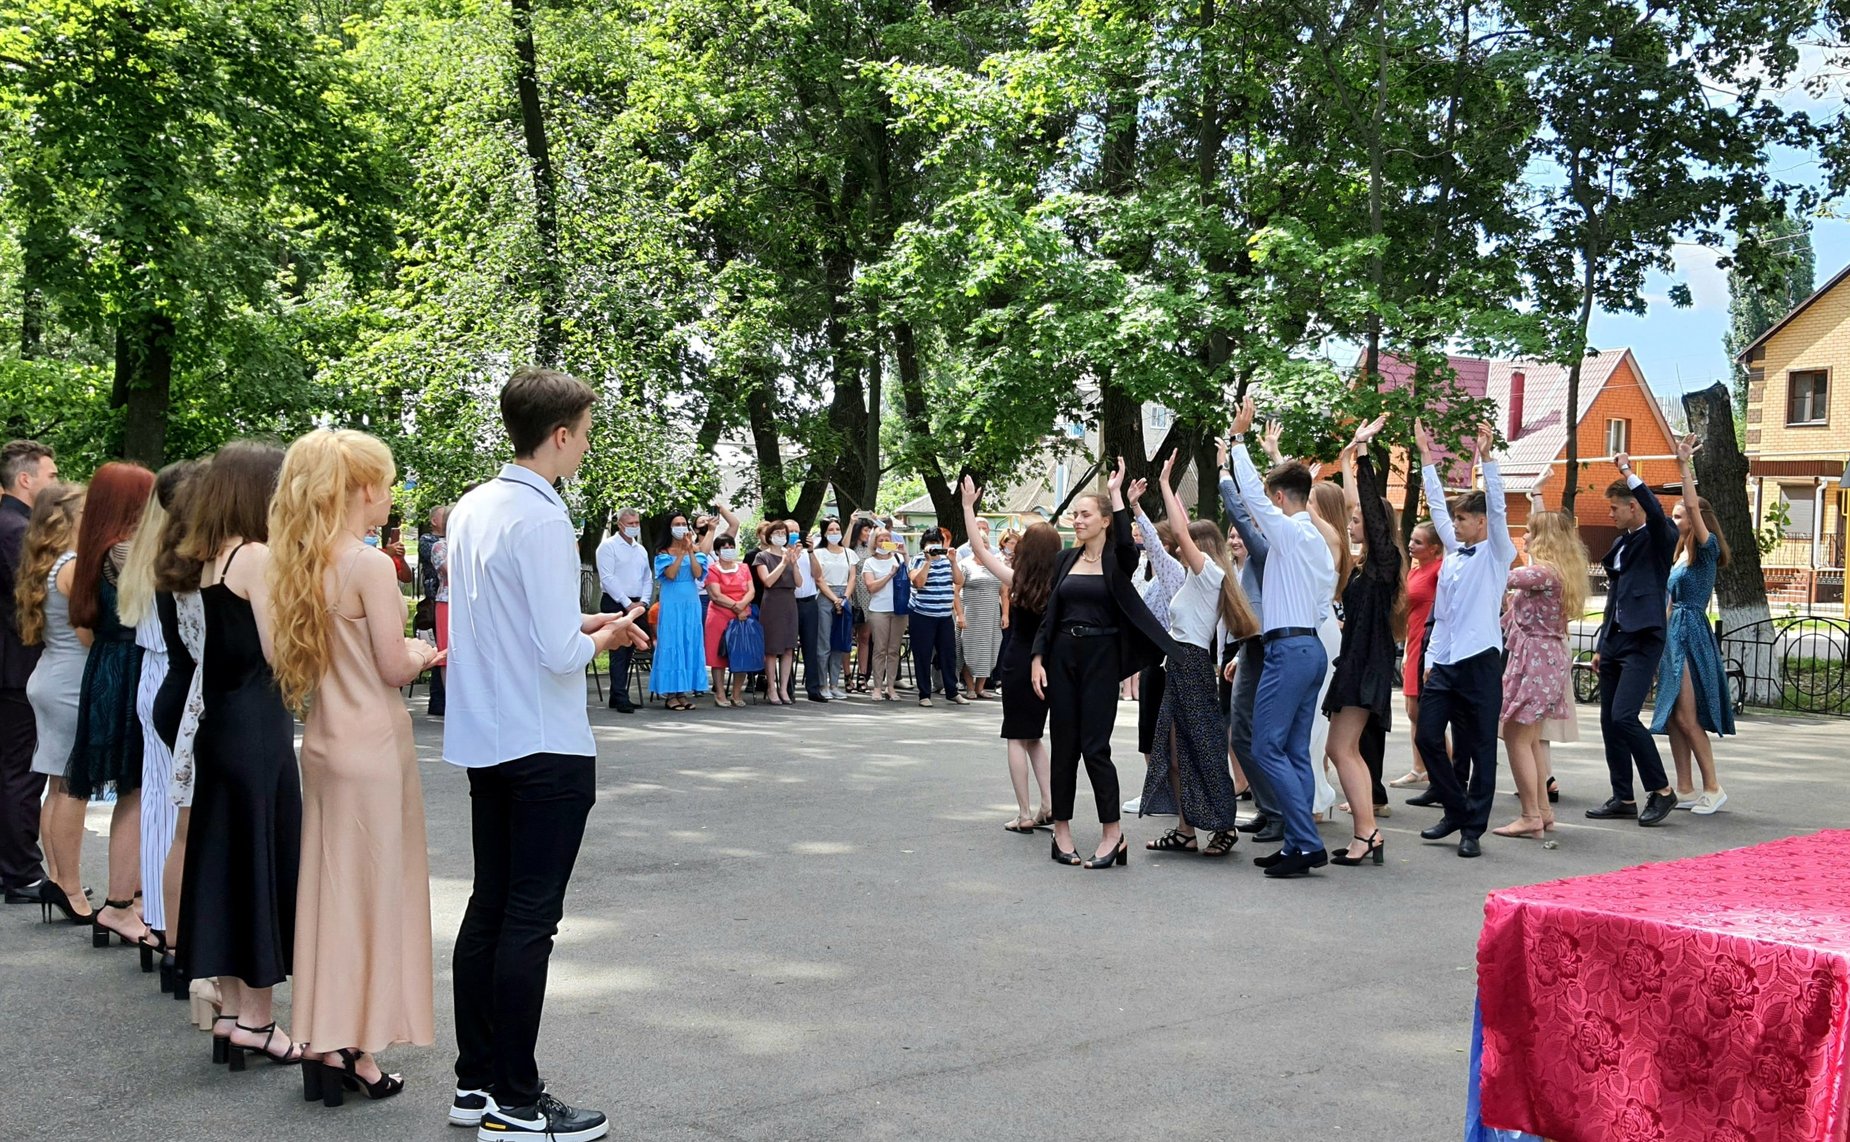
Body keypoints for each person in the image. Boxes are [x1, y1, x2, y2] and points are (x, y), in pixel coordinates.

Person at [443, 366, 648, 1141]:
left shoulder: (473, 507)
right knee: (530, 919)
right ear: (559, 435)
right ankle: (517, 1098)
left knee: (490, 908)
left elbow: (514, 620)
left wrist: (584, 623)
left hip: (489, 733)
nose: (587, 446)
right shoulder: (543, 517)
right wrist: (608, 633)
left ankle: (476, 1082)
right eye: (585, 434)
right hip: (544, 739)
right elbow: (560, 651)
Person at [268, 429, 443, 1105]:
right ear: (364, 488)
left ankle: (324, 1036)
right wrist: (424, 653)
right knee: (372, 896)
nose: (390, 497)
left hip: (322, 742)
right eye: (387, 484)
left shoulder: (296, 562)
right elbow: (394, 666)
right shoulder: (368, 564)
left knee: (330, 894)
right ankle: (355, 1046)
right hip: (372, 743)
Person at [170, 440, 308, 1067]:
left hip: (219, 723)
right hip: (257, 726)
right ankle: (257, 1018)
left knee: (225, 862)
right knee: (260, 863)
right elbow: (284, 656)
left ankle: (231, 1011)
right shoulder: (255, 556)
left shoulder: (205, 558)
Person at [1030, 457, 1179, 869]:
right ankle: (1061, 832)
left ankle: (1113, 834)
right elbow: (1050, 613)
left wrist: (1117, 496)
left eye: (1085, 515)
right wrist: (1038, 657)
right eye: (1075, 515)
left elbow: (1129, 545)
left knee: (1096, 748)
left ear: (1104, 521)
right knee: (1064, 746)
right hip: (1062, 656)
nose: (1077, 520)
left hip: (1101, 657)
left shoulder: (1118, 559)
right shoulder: (1064, 559)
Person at [1223, 399, 1338, 878]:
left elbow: (1251, 496)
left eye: (1272, 500)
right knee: (1293, 751)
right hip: (1310, 646)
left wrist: (1238, 441)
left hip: (1288, 649)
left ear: (1280, 499)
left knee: (1266, 747)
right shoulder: (1317, 543)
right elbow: (1321, 603)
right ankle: (1296, 842)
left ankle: (1306, 842)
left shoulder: (1289, 532)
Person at [1139, 455, 1260, 858]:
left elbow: (1177, 529)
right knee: (1174, 752)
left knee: (1205, 749)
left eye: (1188, 542)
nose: (1180, 547)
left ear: (1202, 546)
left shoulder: (1209, 572)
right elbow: (1168, 539)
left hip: (1190, 664)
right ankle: (1185, 831)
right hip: (1178, 664)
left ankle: (1224, 827)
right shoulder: (1195, 579)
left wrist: (1165, 483)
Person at [66, 462, 158, 955]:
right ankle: (121, 901)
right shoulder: (125, 551)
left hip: (108, 663)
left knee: (133, 786)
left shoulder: (95, 549)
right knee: (137, 788)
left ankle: (130, 899)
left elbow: (87, 628)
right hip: (132, 665)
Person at [1411, 420, 1514, 859]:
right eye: (1454, 519)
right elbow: (1435, 505)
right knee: (1427, 737)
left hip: (1481, 661)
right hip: (1447, 661)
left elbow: (1499, 510)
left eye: (1462, 519)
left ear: (1480, 522)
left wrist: (1487, 460)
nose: (1453, 524)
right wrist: (1425, 456)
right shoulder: (1454, 553)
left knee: (1480, 747)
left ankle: (1473, 828)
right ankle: (1456, 808)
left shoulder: (1497, 552)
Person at [118, 461, 203, 960]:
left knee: (158, 799)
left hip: (155, 673)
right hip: (174, 673)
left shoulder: (145, 549)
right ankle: (167, 922)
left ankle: (157, 917)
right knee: (173, 805)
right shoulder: (179, 555)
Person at [1323, 417, 1403, 867]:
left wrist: (1367, 454)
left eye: (1357, 521)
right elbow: (1356, 502)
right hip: (1355, 660)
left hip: (1365, 663)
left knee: (1341, 749)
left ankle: (1367, 832)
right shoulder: (1365, 565)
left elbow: (1368, 506)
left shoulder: (1383, 565)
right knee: (1341, 748)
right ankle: (1367, 831)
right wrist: (1349, 457)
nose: (1352, 522)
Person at [1587, 449, 1680, 828]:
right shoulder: (1621, 543)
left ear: (1633, 506)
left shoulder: (1660, 535)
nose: (1610, 514)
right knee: (1610, 721)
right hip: (1615, 640)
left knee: (1625, 716)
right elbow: (1615, 595)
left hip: (1643, 639)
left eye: (1614, 508)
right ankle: (1623, 796)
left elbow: (1655, 511)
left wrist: (1627, 471)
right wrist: (1601, 645)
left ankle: (1662, 790)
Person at [961, 479, 1057, 831]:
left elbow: (979, 549)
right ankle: (1049, 803)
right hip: (1046, 666)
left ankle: (1025, 813)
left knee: (1017, 737)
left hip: (1018, 661)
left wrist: (968, 507)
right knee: (1035, 737)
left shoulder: (1018, 580)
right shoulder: (1059, 585)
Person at [17, 482, 90, 922]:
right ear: (68, 518)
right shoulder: (73, 565)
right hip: (71, 682)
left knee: (57, 784)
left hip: (49, 675)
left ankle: (58, 879)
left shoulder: (45, 563)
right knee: (73, 787)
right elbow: (87, 634)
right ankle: (70, 886)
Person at [1651, 434, 1734, 815]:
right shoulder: (1679, 554)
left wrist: (1684, 467)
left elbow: (1692, 505)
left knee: (1686, 715)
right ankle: (1684, 787)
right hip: (1673, 634)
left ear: (1697, 516)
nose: (1676, 518)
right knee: (1672, 715)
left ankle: (1713, 787)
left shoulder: (1706, 548)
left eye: (1680, 514)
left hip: (1691, 632)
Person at [1492, 508, 1586, 839]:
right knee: (1529, 737)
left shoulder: (1542, 573)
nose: (1525, 536)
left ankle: (1530, 815)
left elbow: (1498, 575)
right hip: (1545, 658)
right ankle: (1542, 812)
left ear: (1545, 538)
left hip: (1536, 659)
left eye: (1531, 531)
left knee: (1516, 735)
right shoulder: (1558, 572)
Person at [0, 439, 57, 905]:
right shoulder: (17, 530)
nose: (56, 482)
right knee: (21, 771)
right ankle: (21, 872)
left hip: (11, 663)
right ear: (25, 479)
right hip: (17, 664)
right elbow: (32, 599)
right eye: (51, 475)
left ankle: (12, 867)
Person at [1218, 451, 1284, 846]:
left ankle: (1277, 811)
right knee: (1242, 733)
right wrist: (1239, 655)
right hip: (1250, 648)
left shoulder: (1268, 546)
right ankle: (1267, 806)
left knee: (1252, 733)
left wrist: (1226, 474)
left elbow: (1243, 516)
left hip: (1264, 646)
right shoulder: (1249, 558)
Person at [1390, 522, 1443, 790]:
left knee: (1420, 712)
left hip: (1427, 643)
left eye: (1418, 542)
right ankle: (1420, 767)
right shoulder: (1415, 571)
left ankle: (1444, 766)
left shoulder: (1439, 570)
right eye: (1411, 540)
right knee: (1412, 710)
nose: (1411, 545)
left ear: (1434, 548)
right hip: (1413, 642)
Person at [649, 512, 709, 711]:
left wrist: (690, 551)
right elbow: (671, 574)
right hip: (672, 602)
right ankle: (670, 694)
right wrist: (681, 552)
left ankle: (682, 692)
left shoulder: (696, 550)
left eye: (684, 523)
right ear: (670, 528)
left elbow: (698, 574)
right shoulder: (663, 552)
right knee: (672, 642)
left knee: (688, 642)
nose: (681, 527)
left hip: (690, 602)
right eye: (677, 524)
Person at [595, 508, 652, 712]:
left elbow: (647, 578)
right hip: (616, 602)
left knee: (634, 647)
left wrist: (643, 602)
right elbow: (607, 578)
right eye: (630, 524)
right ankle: (619, 696)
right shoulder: (608, 547)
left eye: (637, 523)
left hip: (637, 603)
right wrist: (627, 603)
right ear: (620, 524)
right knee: (618, 650)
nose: (634, 527)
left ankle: (619, 693)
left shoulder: (640, 550)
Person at [907, 525, 966, 707]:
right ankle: (924, 694)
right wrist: (928, 561)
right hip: (922, 614)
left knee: (948, 654)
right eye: (930, 543)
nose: (934, 546)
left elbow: (959, 581)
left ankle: (952, 691)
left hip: (944, 615)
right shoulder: (917, 560)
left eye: (937, 542)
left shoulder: (948, 560)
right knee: (923, 655)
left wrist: (953, 562)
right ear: (924, 545)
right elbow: (918, 582)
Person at [703, 531, 756, 707]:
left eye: (731, 546)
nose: (728, 550)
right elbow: (716, 595)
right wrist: (736, 606)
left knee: (742, 654)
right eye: (724, 547)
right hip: (719, 615)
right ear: (717, 551)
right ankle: (719, 693)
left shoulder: (744, 568)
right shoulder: (712, 569)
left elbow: (751, 591)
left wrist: (742, 606)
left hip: (742, 615)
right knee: (718, 657)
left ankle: (736, 693)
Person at [753, 520, 802, 705]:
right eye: (777, 533)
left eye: (783, 533)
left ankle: (784, 688)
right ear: (769, 535)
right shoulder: (762, 556)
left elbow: (799, 582)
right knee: (772, 649)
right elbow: (768, 581)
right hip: (772, 602)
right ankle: (771, 687)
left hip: (789, 602)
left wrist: (794, 563)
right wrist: (783, 563)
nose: (781, 536)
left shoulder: (789, 554)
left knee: (789, 648)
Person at [813, 519, 857, 699]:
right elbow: (819, 578)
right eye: (830, 530)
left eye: (837, 529)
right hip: (825, 596)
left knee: (839, 641)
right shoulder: (819, 553)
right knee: (824, 642)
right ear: (824, 533)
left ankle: (834, 684)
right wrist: (834, 598)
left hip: (844, 595)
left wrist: (844, 598)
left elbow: (852, 577)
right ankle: (822, 684)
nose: (834, 532)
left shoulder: (849, 553)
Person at [788, 519, 830, 703]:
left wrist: (811, 551)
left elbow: (818, 574)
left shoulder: (807, 553)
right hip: (789, 603)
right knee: (788, 647)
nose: (794, 534)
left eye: (797, 531)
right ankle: (788, 688)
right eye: (790, 531)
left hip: (809, 603)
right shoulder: (782, 554)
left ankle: (813, 688)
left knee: (811, 646)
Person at [860, 529, 904, 701]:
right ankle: (877, 687)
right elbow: (871, 587)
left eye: (888, 539)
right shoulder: (869, 562)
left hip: (898, 609)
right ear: (874, 542)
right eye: (881, 540)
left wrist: (904, 554)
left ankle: (890, 686)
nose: (884, 543)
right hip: (878, 609)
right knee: (880, 648)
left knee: (894, 650)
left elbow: (911, 575)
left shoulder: (898, 558)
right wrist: (889, 575)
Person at [958, 536, 1003, 700]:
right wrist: (960, 614)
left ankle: (980, 687)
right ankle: (970, 687)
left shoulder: (996, 564)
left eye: (985, 543)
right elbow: (955, 591)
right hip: (971, 614)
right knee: (969, 650)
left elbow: (1004, 591)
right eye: (979, 543)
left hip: (992, 614)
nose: (982, 546)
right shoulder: (964, 564)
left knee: (989, 649)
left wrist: (1005, 614)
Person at [421, 504, 451, 717]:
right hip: (446, 602)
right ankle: (449, 701)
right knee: (447, 654)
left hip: (472, 604)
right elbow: (453, 571)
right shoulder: (439, 546)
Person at [846, 517, 878, 693]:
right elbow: (844, 546)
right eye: (866, 530)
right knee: (847, 637)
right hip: (851, 592)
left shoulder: (871, 550)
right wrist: (851, 523)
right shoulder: (849, 550)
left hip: (868, 594)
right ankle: (847, 676)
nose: (868, 533)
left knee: (864, 637)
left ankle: (862, 675)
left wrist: (877, 523)